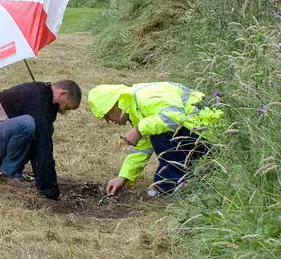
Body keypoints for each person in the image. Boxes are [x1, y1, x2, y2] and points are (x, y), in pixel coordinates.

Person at [87, 82, 221, 196]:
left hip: (214, 133)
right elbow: (142, 147)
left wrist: (139, 129)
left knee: (159, 133)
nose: (108, 121)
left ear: (115, 104)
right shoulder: (136, 107)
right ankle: (192, 179)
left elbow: (173, 119)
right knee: (155, 130)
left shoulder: (145, 97)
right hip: (203, 134)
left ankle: (174, 186)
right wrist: (123, 177)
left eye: (106, 115)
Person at [0, 80, 82, 200]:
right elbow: (43, 148)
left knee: (45, 127)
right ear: (63, 94)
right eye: (67, 107)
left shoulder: (40, 95)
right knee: (27, 124)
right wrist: (50, 190)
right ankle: (9, 173)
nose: (63, 112)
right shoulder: (36, 99)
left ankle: (3, 167)